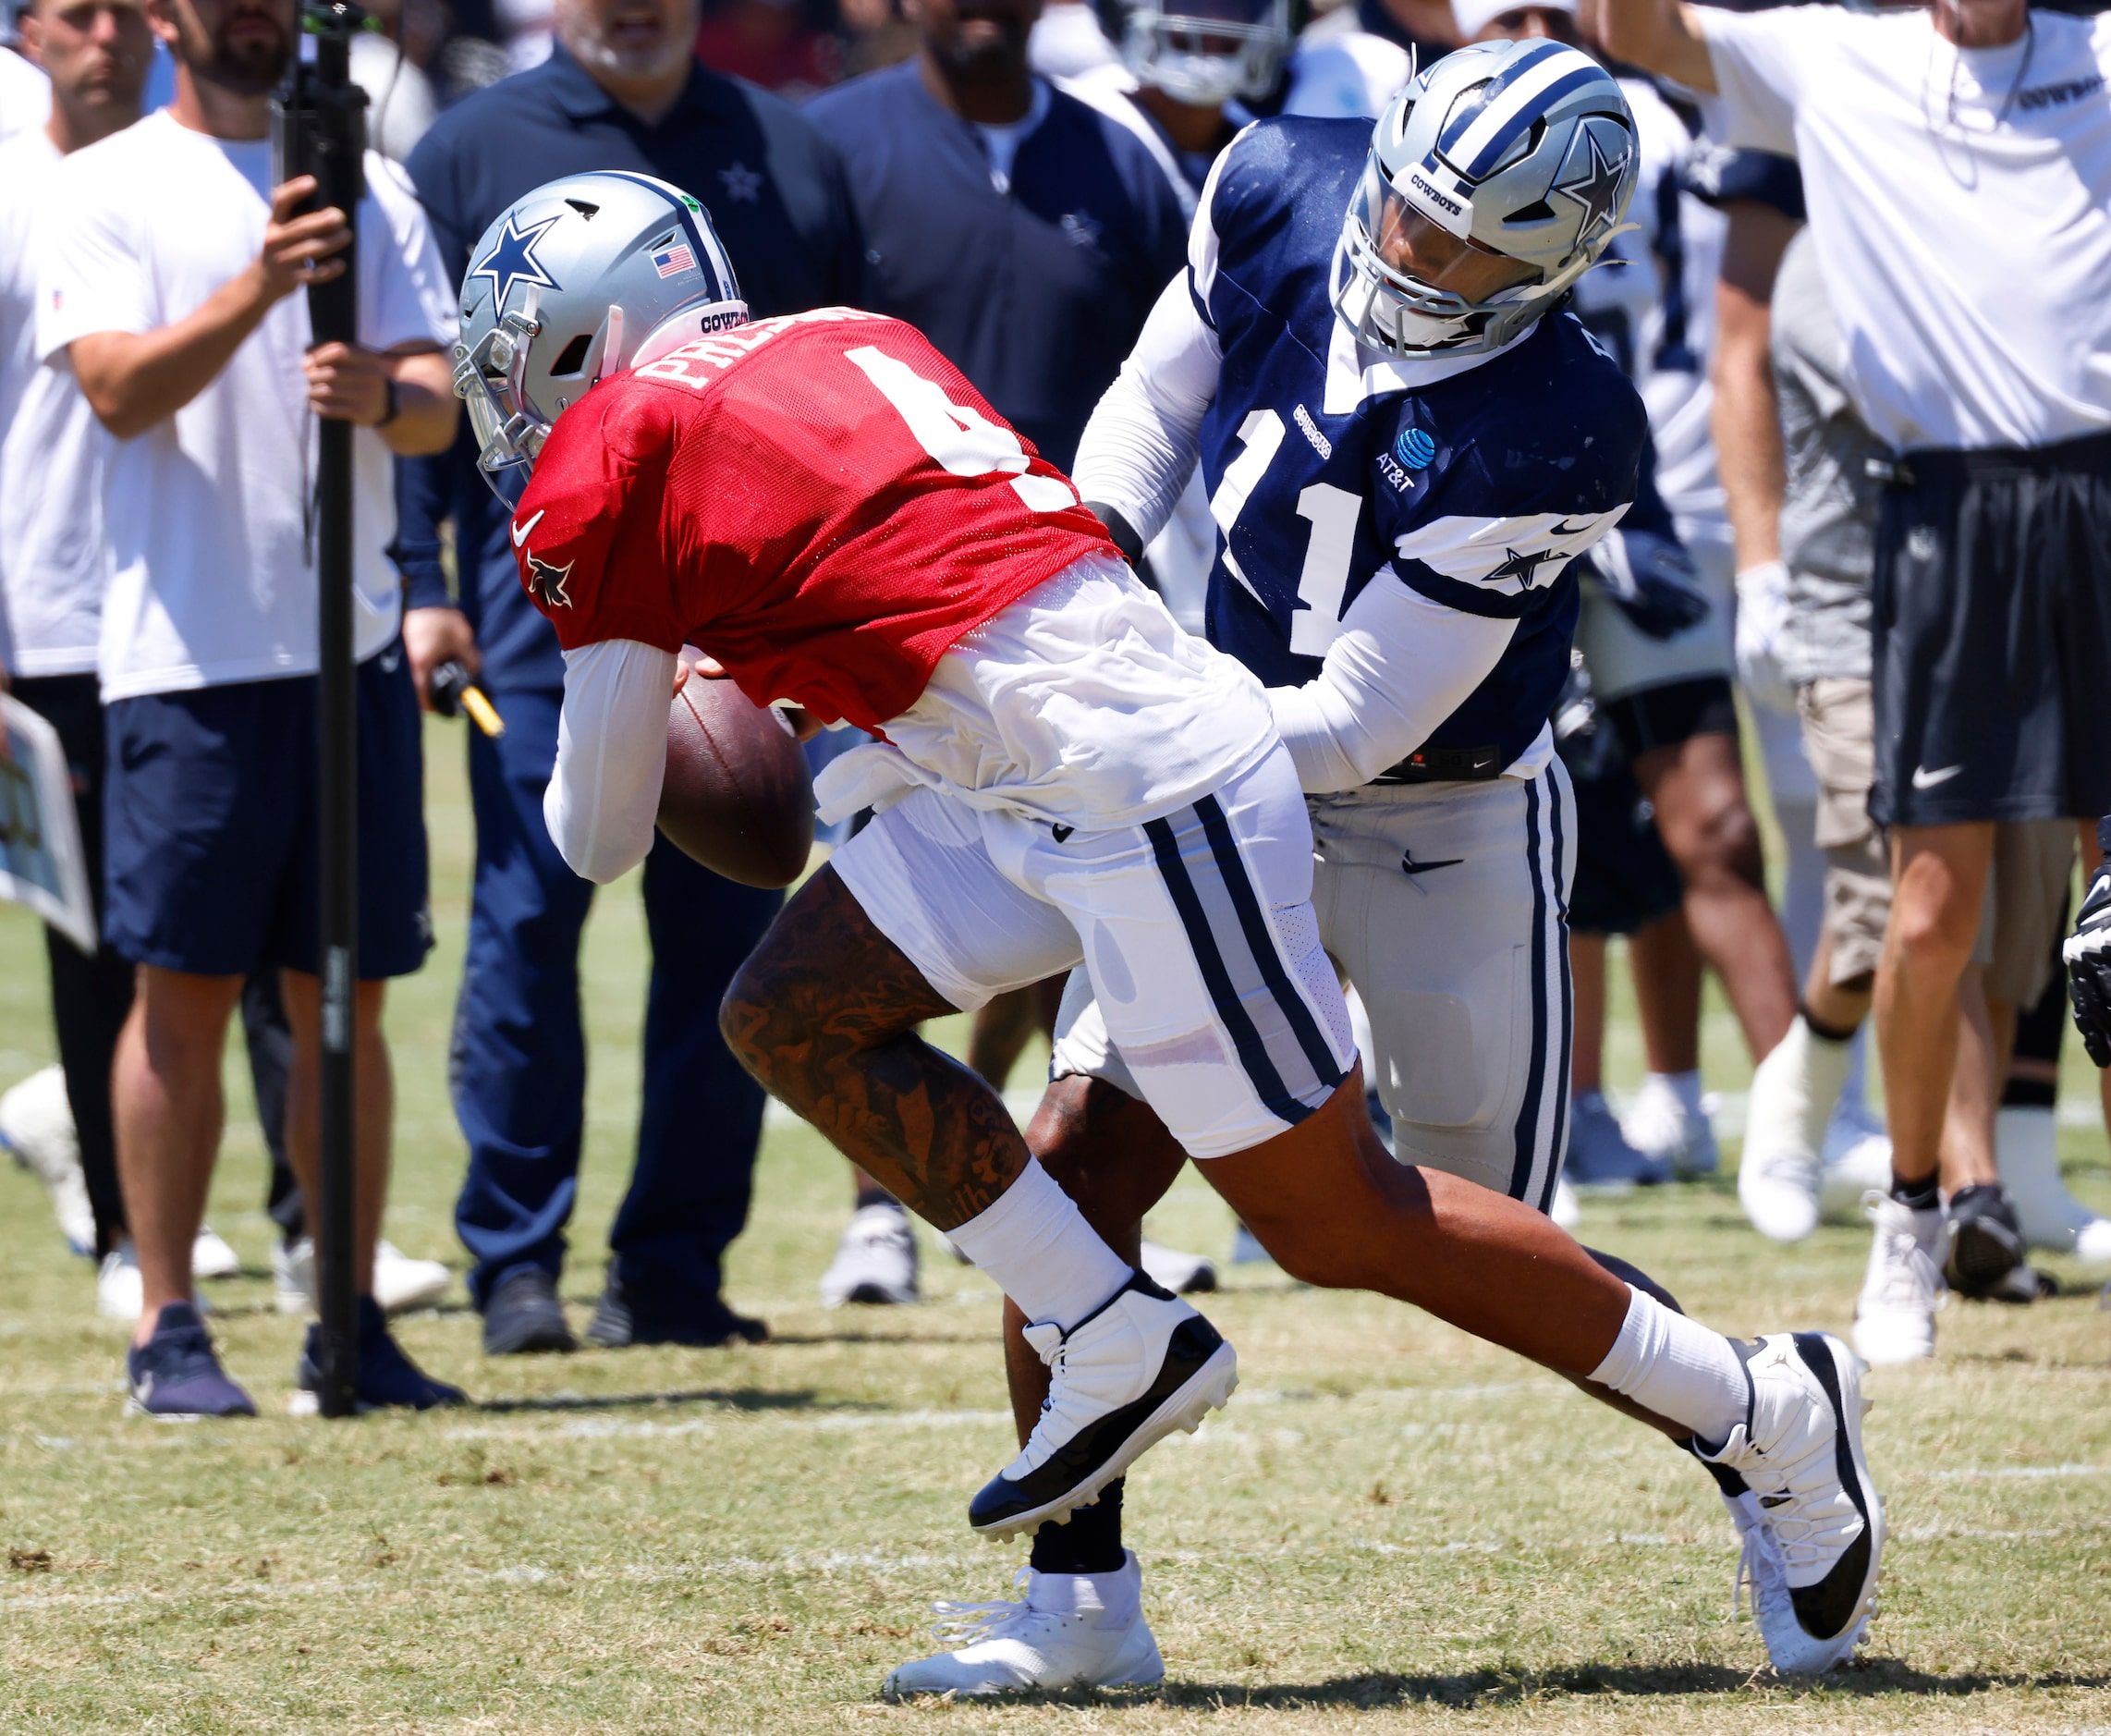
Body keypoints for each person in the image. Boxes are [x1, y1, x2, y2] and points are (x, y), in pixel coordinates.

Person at [453, 155, 1883, 1693]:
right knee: (805, 1017)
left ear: (582, 344)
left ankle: (1766, 1405)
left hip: (1146, 792)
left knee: (1344, 1220)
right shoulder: (843, 337)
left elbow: (600, 838)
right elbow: (958, 629)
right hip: (1048, 777)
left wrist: (652, 688)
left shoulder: (619, 445)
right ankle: (1084, 1597)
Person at [873, 46, 1880, 1693]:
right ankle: (1079, 1601)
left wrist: (1102, 727)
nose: (1412, 252)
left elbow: (1352, 724)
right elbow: (1152, 402)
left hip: (1438, 812)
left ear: (1558, 258)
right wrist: (1099, 561)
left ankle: (1767, 1415)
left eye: (1466, 243)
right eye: (1409, 210)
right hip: (1201, 783)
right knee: (1075, 1168)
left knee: (1467, 1233)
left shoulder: (1560, 417)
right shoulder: (1279, 175)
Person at [1603, 0, 2111, 1360]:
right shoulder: (1834, 55)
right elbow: (1630, 28)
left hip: (2104, 498)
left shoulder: (2098, 54)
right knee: (1926, 911)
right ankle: (1912, 1217)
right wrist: (1763, 572)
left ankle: (2024, 1187)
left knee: (2106, 922)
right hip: (1946, 519)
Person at [398, 0, 864, 1356]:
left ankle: (673, 1263)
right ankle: (515, 1263)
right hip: (537, 599)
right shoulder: (470, 146)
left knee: (730, 924)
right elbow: (442, 391)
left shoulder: (786, 149)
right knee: (527, 927)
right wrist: (424, 585)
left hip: (741, 609)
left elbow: (830, 366)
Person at [39, 0, 464, 1415]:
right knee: (182, 995)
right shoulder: (103, 189)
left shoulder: (371, 180)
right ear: (163, 16)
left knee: (347, 990)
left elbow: (436, 399)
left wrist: (378, 398)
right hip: (186, 654)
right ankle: (168, 1320)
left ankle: (347, 1310)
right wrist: (263, 287)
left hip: (342, 652)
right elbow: (113, 388)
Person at [803, 0, 1190, 1307]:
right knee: (887, 907)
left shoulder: (1120, 154)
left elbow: (1178, 370)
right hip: (885, 603)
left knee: (1063, 909)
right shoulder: (835, 144)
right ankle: (878, 1210)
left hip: (1079, 605)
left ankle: (1031, 1173)